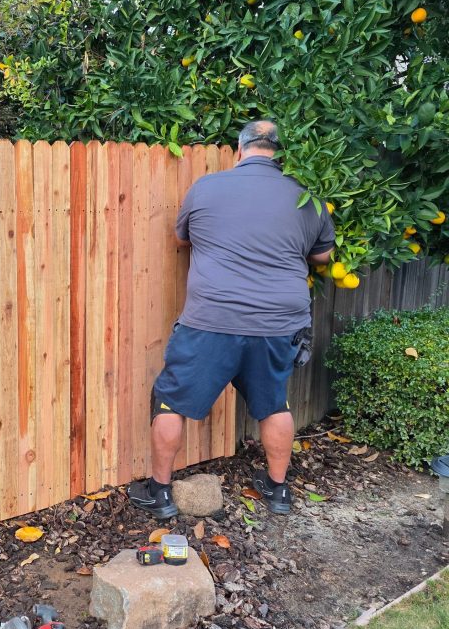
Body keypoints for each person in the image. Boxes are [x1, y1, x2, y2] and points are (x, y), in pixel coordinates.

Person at [127, 119, 335, 519]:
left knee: (172, 402)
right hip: (278, 323)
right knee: (275, 403)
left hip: (211, 320)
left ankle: (161, 494)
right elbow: (323, 256)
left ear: (238, 151)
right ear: (278, 153)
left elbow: (182, 238)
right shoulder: (306, 198)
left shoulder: (206, 188)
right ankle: (277, 492)